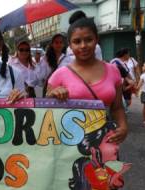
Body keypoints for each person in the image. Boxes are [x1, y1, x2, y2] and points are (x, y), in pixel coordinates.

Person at [47, 16, 127, 144]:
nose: (83, 46)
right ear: (70, 45)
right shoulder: (58, 75)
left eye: (88, 40)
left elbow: (117, 107)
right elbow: (46, 115)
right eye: (77, 41)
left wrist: (123, 127)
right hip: (69, 144)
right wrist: (52, 96)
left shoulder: (113, 71)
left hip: (104, 140)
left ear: (96, 40)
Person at [62, 121, 131, 190]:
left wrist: (123, 126)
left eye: (115, 141)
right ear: (93, 149)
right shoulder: (84, 166)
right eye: (110, 140)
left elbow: (117, 107)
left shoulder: (108, 167)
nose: (117, 147)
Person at [111, 48, 136, 113]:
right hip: (117, 85)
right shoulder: (116, 62)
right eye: (128, 54)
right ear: (124, 55)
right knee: (122, 103)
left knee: (126, 102)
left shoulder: (119, 62)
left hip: (123, 84)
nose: (129, 56)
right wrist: (129, 80)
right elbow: (124, 73)